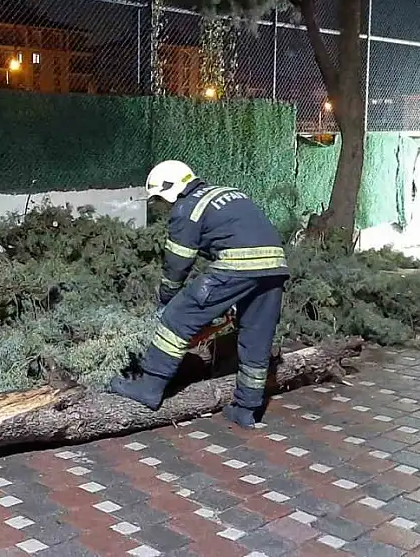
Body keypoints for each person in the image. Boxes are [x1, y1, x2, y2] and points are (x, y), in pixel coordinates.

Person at [109, 160, 289, 429]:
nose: (163, 205)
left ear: (170, 189)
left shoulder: (187, 207)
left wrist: (167, 297)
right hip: (274, 267)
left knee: (177, 319)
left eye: (160, 199)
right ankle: (246, 409)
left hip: (236, 266)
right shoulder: (227, 193)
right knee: (256, 338)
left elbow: (178, 262)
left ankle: (149, 386)